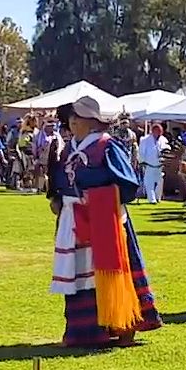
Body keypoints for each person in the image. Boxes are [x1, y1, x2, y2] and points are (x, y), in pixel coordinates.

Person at [48, 96, 162, 347]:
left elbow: (129, 185)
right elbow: (59, 180)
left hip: (106, 221)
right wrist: (57, 197)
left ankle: (123, 326)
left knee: (113, 271)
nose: (73, 120)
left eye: (78, 116)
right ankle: (83, 332)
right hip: (74, 220)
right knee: (79, 274)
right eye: (72, 116)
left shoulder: (106, 146)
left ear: (92, 122)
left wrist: (98, 198)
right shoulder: (68, 149)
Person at [138, 123, 169, 204]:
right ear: (153, 130)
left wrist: (166, 161)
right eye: (157, 130)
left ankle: (158, 197)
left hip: (160, 164)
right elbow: (141, 151)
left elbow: (168, 150)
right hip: (149, 164)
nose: (158, 132)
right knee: (149, 182)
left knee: (159, 182)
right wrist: (141, 161)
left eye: (160, 131)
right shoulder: (145, 139)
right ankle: (152, 199)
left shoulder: (164, 140)